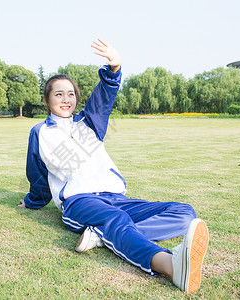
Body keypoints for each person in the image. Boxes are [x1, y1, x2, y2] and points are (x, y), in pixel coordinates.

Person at [18, 39, 209, 293]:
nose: (66, 99)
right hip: (79, 201)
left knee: (184, 213)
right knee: (116, 219)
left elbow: (103, 98)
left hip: (114, 196)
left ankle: (102, 236)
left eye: (71, 94)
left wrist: (114, 68)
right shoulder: (41, 131)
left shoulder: (89, 123)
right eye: (58, 94)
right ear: (47, 99)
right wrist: (32, 201)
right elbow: (39, 175)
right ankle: (167, 264)